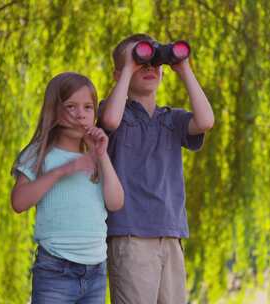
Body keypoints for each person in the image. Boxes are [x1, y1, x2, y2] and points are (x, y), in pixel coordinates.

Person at [98, 34, 214, 304]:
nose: (148, 68)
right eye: (140, 63)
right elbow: (110, 120)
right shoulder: (115, 113)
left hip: (171, 234)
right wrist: (129, 66)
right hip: (131, 235)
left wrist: (183, 69)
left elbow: (206, 120)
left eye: (154, 63)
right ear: (119, 74)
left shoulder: (171, 119)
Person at [11, 72, 124, 304]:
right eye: (71, 106)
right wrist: (63, 170)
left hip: (95, 271)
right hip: (55, 269)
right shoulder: (39, 153)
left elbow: (116, 202)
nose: (80, 114)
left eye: (88, 107)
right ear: (54, 110)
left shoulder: (98, 157)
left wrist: (101, 156)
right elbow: (19, 202)